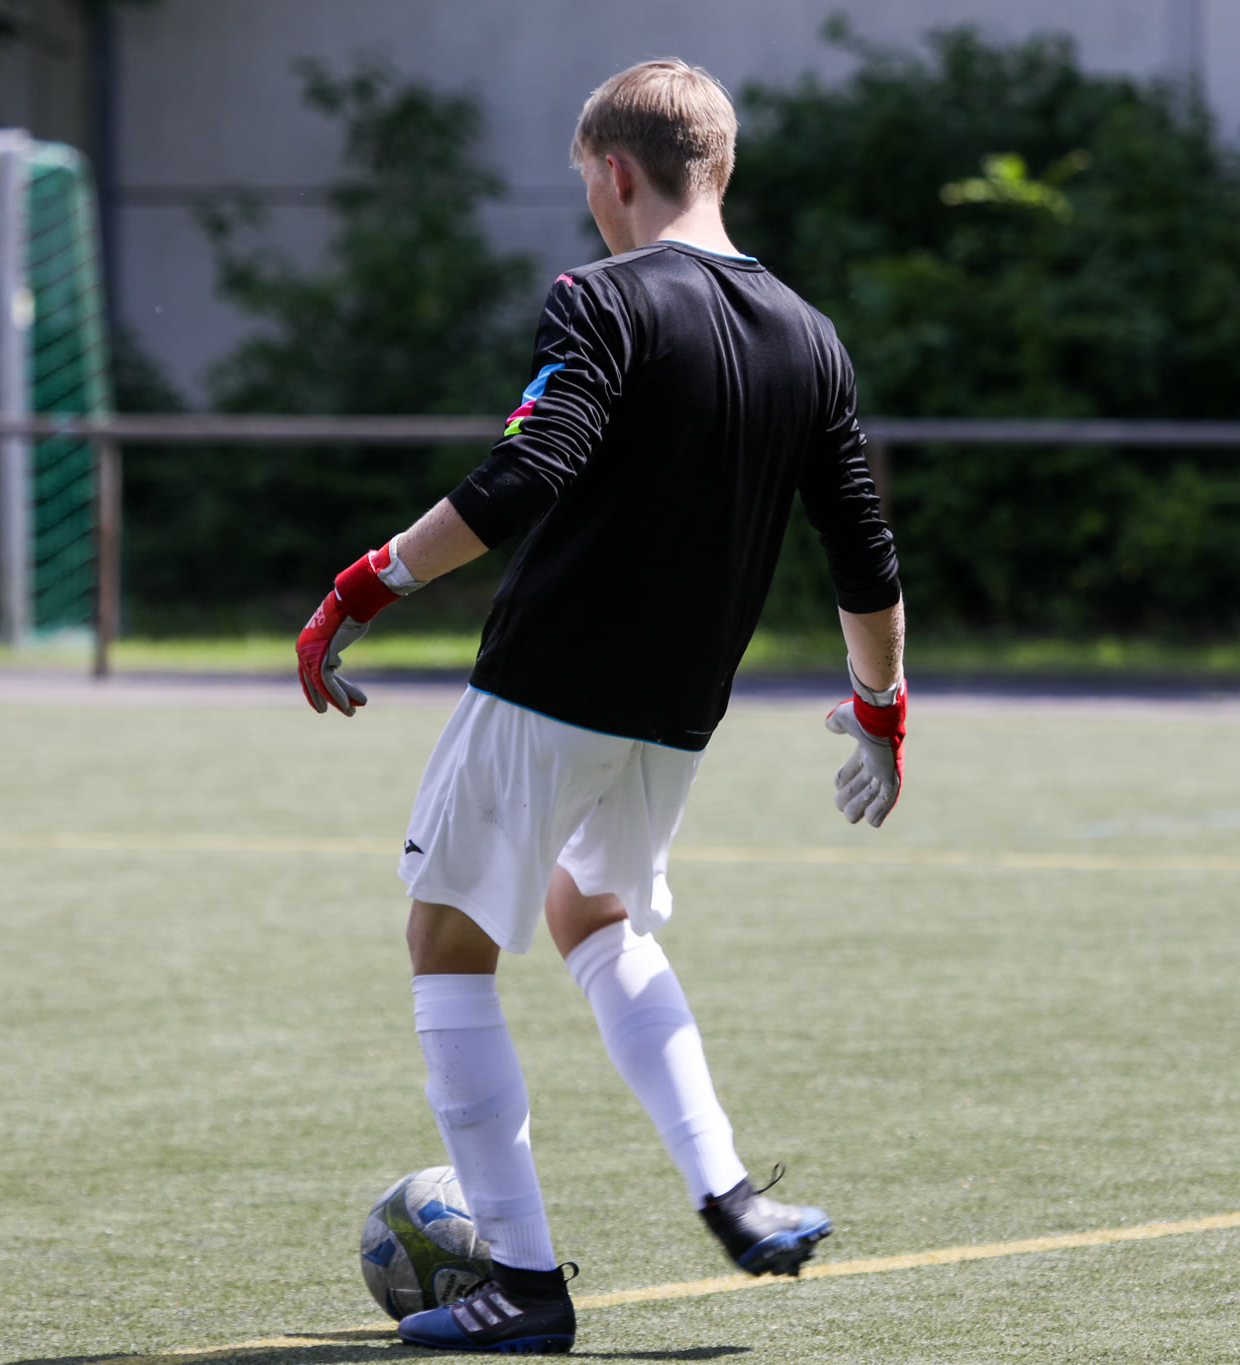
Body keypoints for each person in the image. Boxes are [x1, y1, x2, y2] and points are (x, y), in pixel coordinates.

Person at [295, 58, 906, 1355]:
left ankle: (523, 1282)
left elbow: (532, 468)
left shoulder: (602, 299)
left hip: (550, 678)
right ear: (720, 167)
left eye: (586, 180)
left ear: (614, 172)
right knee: (594, 912)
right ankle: (728, 1192)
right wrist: (880, 707)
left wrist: (364, 584)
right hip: (677, 709)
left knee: (447, 942)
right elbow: (863, 548)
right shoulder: (810, 335)